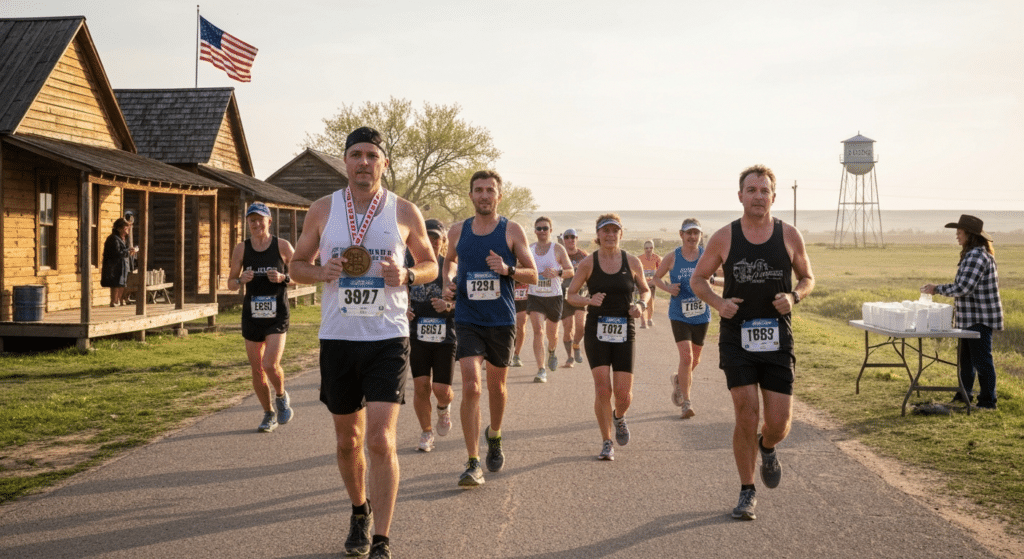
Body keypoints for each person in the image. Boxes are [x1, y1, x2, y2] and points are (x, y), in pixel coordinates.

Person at [289, 127, 438, 559]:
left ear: (383, 164)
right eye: (356, 154)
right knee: (347, 442)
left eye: (372, 155)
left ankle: (382, 540)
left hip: (388, 336)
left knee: (379, 440)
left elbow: (430, 264)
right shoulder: (322, 210)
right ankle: (359, 510)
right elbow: (297, 265)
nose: (364, 162)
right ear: (345, 162)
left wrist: (408, 275)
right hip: (338, 336)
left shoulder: (403, 211)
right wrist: (322, 272)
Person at [690, 164, 814, 521]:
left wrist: (794, 296)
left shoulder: (789, 235)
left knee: (777, 422)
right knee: (746, 413)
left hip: (777, 339)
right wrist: (718, 304)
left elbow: (807, 277)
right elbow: (699, 280)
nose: (758, 196)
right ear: (740, 195)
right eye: (752, 190)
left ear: (773, 197)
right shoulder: (723, 237)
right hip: (737, 338)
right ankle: (747, 490)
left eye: (764, 191)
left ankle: (768, 445)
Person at [443, 170, 537, 487]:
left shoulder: (511, 230)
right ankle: (472, 462)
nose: (484, 195)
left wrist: (508, 269)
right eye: (478, 190)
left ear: (499, 195)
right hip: (468, 318)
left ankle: (494, 434)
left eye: (490, 190)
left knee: (496, 388)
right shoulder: (458, 230)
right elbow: (450, 262)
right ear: (470, 195)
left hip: (501, 320)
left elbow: (533, 275)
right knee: (471, 386)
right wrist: (447, 280)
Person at [566, 214, 650, 461]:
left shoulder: (632, 261)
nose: (610, 235)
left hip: (625, 329)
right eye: (606, 231)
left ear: (620, 234)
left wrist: (641, 306)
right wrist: (588, 300)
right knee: (603, 389)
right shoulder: (588, 263)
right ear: (598, 234)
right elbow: (571, 295)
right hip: (597, 330)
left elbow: (645, 290)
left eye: (615, 231)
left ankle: (619, 416)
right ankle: (606, 441)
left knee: (623, 394)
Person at [921, 214, 1003, 410]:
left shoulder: (976, 256)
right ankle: (964, 396)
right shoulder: (975, 254)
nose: (957, 236)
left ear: (970, 234)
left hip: (979, 318)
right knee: (967, 361)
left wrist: (936, 288)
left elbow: (964, 287)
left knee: (981, 361)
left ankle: (987, 402)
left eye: (959, 232)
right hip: (970, 317)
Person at [227, 202, 297, 433]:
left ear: (269, 221)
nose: (256, 224)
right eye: (252, 220)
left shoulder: (282, 246)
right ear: (248, 223)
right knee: (257, 369)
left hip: (277, 315)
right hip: (252, 315)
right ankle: (268, 414)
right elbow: (230, 283)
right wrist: (240, 281)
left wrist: (283, 278)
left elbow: (303, 274)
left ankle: (281, 395)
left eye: (260, 219)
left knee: (270, 364)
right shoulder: (241, 249)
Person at [653, 218, 720, 419]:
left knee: (695, 359)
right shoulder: (672, 257)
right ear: (681, 235)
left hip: (701, 314)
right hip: (679, 313)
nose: (692, 237)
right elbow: (656, 278)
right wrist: (668, 288)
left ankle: (678, 381)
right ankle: (687, 403)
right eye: (688, 233)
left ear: (700, 236)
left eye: (696, 233)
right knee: (687, 357)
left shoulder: (706, 255)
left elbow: (717, 274)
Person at [406, 219, 456, 452]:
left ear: (443, 241)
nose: (433, 241)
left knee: (441, 390)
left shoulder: (451, 267)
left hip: (445, 336)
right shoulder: (410, 266)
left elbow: (464, 302)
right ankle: (426, 432)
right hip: (417, 334)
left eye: (437, 237)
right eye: (429, 236)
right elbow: (398, 292)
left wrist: (447, 307)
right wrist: (403, 308)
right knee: (421, 386)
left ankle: (444, 409)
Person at [527, 216, 575, 382]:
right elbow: (521, 267)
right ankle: (541, 370)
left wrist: (558, 273)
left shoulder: (558, 249)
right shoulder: (530, 248)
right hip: (535, 296)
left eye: (545, 228)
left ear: (551, 230)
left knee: (552, 334)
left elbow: (570, 271)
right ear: (535, 231)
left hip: (554, 296)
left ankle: (552, 351)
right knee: (538, 331)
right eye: (539, 228)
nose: (542, 231)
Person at [559, 228, 588, 368]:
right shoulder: (559, 255)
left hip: (579, 294)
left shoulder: (584, 256)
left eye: (573, 237)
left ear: (577, 239)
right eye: (567, 237)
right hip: (563, 296)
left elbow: (591, 273)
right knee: (567, 327)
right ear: (564, 239)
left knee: (581, 326)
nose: (571, 240)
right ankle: (570, 357)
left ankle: (576, 345)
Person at [100, 218, 138, 306]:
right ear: (119, 228)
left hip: (122, 265)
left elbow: (124, 251)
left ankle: (119, 300)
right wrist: (128, 251)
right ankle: (114, 301)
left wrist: (131, 251)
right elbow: (116, 253)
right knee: (115, 283)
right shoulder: (114, 239)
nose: (128, 230)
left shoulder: (123, 238)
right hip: (114, 265)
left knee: (122, 283)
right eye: (126, 228)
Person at [638, 240, 662, 328]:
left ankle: (649, 318)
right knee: (642, 301)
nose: (648, 250)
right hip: (642, 284)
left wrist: (656, 280)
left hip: (652, 284)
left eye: (651, 248)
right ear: (644, 249)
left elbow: (661, 272)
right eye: (646, 248)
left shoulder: (657, 258)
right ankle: (643, 321)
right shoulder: (639, 259)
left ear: (653, 248)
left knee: (651, 302)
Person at [510, 279, 529, 367]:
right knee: (508, 327)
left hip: (523, 297)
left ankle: (516, 355)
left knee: (521, 326)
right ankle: (508, 352)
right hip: (509, 296)